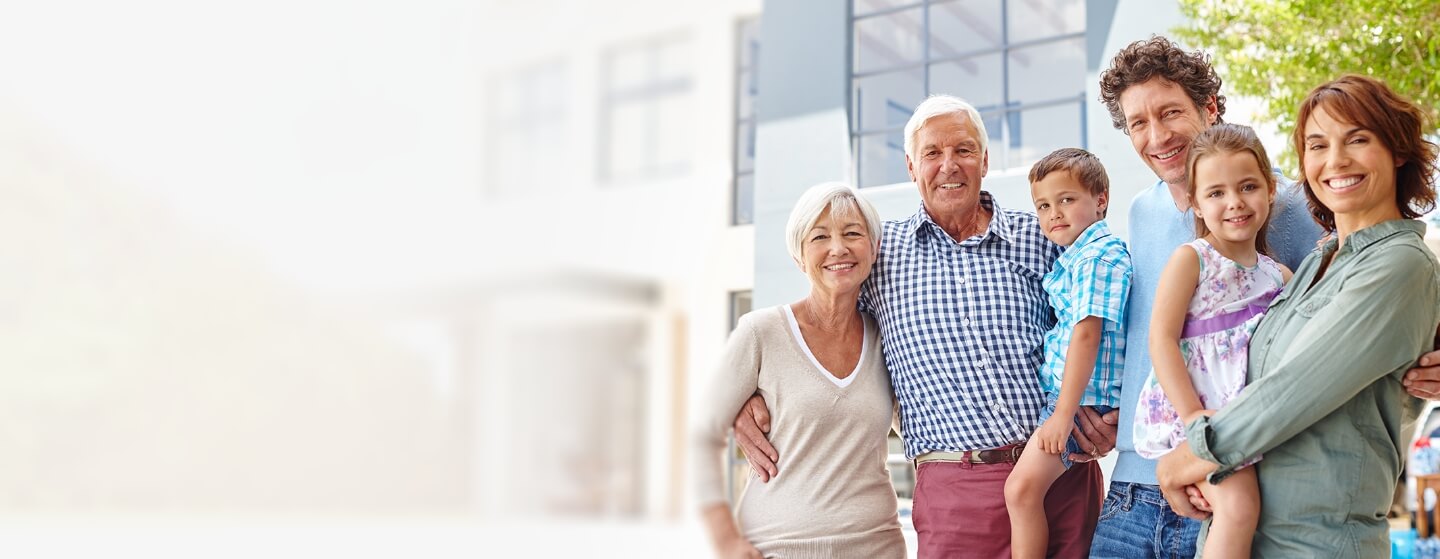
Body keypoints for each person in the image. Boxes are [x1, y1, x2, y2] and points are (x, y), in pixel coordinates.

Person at [733, 95, 1116, 557]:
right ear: (912, 167)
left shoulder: (1046, 237)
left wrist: (1112, 415)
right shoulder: (877, 254)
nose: (949, 165)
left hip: (1061, 474)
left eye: (964, 150)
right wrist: (745, 394)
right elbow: (813, 325)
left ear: (985, 160)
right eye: (932, 153)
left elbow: (1105, 328)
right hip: (955, 491)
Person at [1156, 74, 1440, 557]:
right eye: (1317, 144)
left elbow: (1290, 392)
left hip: (1319, 542)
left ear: (1396, 150)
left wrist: (1188, 458)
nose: (1336, 161)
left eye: (1357, 139)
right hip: (1249, 533)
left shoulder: (1400, 263)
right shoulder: (1316, 261)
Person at [1088, 36, 1324, 558]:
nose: (1157, 136)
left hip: (1230, 479)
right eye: (1138, 124)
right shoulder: (1139, 212)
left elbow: (1333, 331)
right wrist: (1100, 404)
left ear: (1209, 108)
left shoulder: (1286, 209)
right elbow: (1156, 335)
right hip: (1132, 488)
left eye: (1170, 112)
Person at [691, 182, 905, 558]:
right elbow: (700, 434)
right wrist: (725, 540)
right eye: (820, 236)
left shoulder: (888, 335)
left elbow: (921, 423)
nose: (838, 248)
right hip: (779, 547)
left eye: (852, 233)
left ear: (873, 249)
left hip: (878, 546)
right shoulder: (761, 332)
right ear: (799, 257)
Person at [1133, 123, 1290, 557]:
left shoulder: (1277, 275)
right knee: (1238, 506)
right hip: (1197, 417)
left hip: (1245, 421)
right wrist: (1192, 418)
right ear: (1197, 203)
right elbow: (1161, 340)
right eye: (1216, 193)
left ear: (1270, 189)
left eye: (1247, 187)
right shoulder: (1193, 260)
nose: (1235, 202)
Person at [1006, 148, 1131, 559]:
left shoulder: (1096, 256)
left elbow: (1086, 335)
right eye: (1043, 205)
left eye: (1066, 200)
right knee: (1027, 493)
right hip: (1073, 399)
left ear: (1100, 200)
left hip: (1079, 402)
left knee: (1021, 491)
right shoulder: (1077, 256)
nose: (1054, 213)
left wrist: (1062, 413)